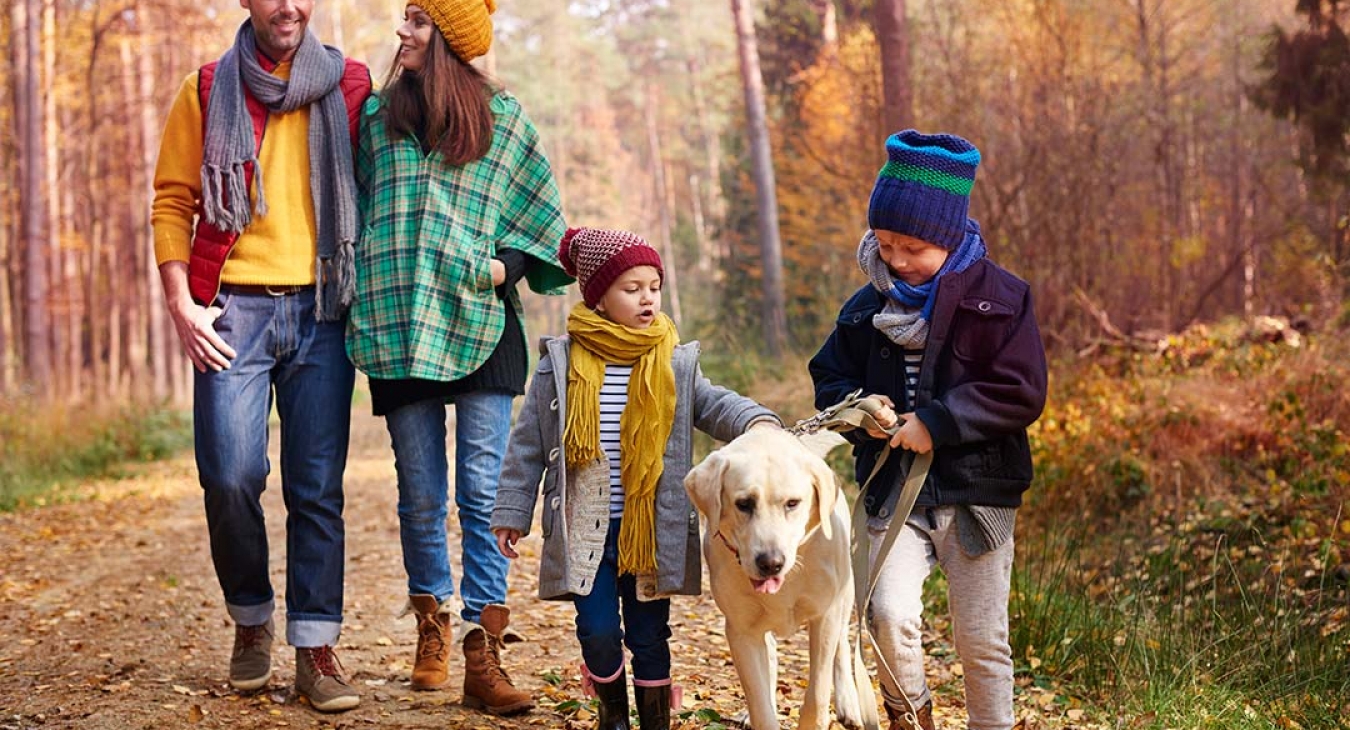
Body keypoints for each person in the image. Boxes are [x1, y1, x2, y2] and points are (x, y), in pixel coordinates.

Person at [343, 0, 572, 715]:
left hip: (481, 322)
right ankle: (431, 624)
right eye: (404, 19)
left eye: (417, 21)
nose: (402, 32)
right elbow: (352, 206)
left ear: (449, 39)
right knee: (420, 493)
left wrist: (500, 268)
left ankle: (484, 646)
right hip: (397, 319)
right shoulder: (378, 122)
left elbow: (540, 219)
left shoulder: (503, 121)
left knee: (481, 490)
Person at [150, 0, 371, 714]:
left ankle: (315, 647)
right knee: (230, 472)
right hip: (231, 309)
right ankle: (251, 618)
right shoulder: (209, 87)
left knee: (316, 488)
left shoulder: (351, 87)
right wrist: (182, 304)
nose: (289, 5)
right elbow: (172, 201)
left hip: (322, 308)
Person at [490, 227, 783, 730]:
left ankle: (651, 723)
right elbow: (527, 445)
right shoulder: (560, 365)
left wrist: (759, 422)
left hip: (650, 529)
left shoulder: (672, 361)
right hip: (587, 529)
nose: (647, 298)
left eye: (654, 286)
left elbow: (713, 404)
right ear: (599, 297)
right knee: (599, 630)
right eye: (632, 288)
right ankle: (610, 709)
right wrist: (513, 512)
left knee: (650, 634)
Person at [808, 130, 1047, 730]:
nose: (895, 259)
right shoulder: (865, 308)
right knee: (885, 613)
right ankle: (909, 718)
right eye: (884, 244)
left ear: (948, 237)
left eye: (911, 247)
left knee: (981, 643)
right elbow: (829, 377)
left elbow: (1020, 389)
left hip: (976, 495)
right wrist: (865, 411)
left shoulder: (1003, 299)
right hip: (893, 492)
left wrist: (937, 423)